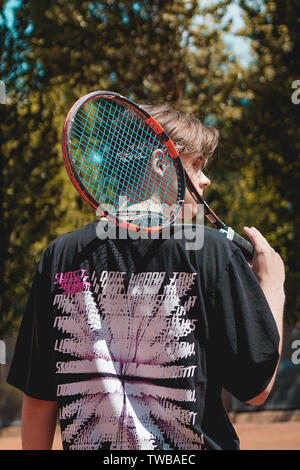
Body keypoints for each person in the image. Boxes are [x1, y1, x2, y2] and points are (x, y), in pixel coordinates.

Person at [7, 104, 285, 451]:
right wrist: (273, 287)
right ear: (158, 163)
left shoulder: (60, 255)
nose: (205, 180)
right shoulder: (213, 252)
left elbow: (39, 396)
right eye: (196, 165)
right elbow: (258, 387)